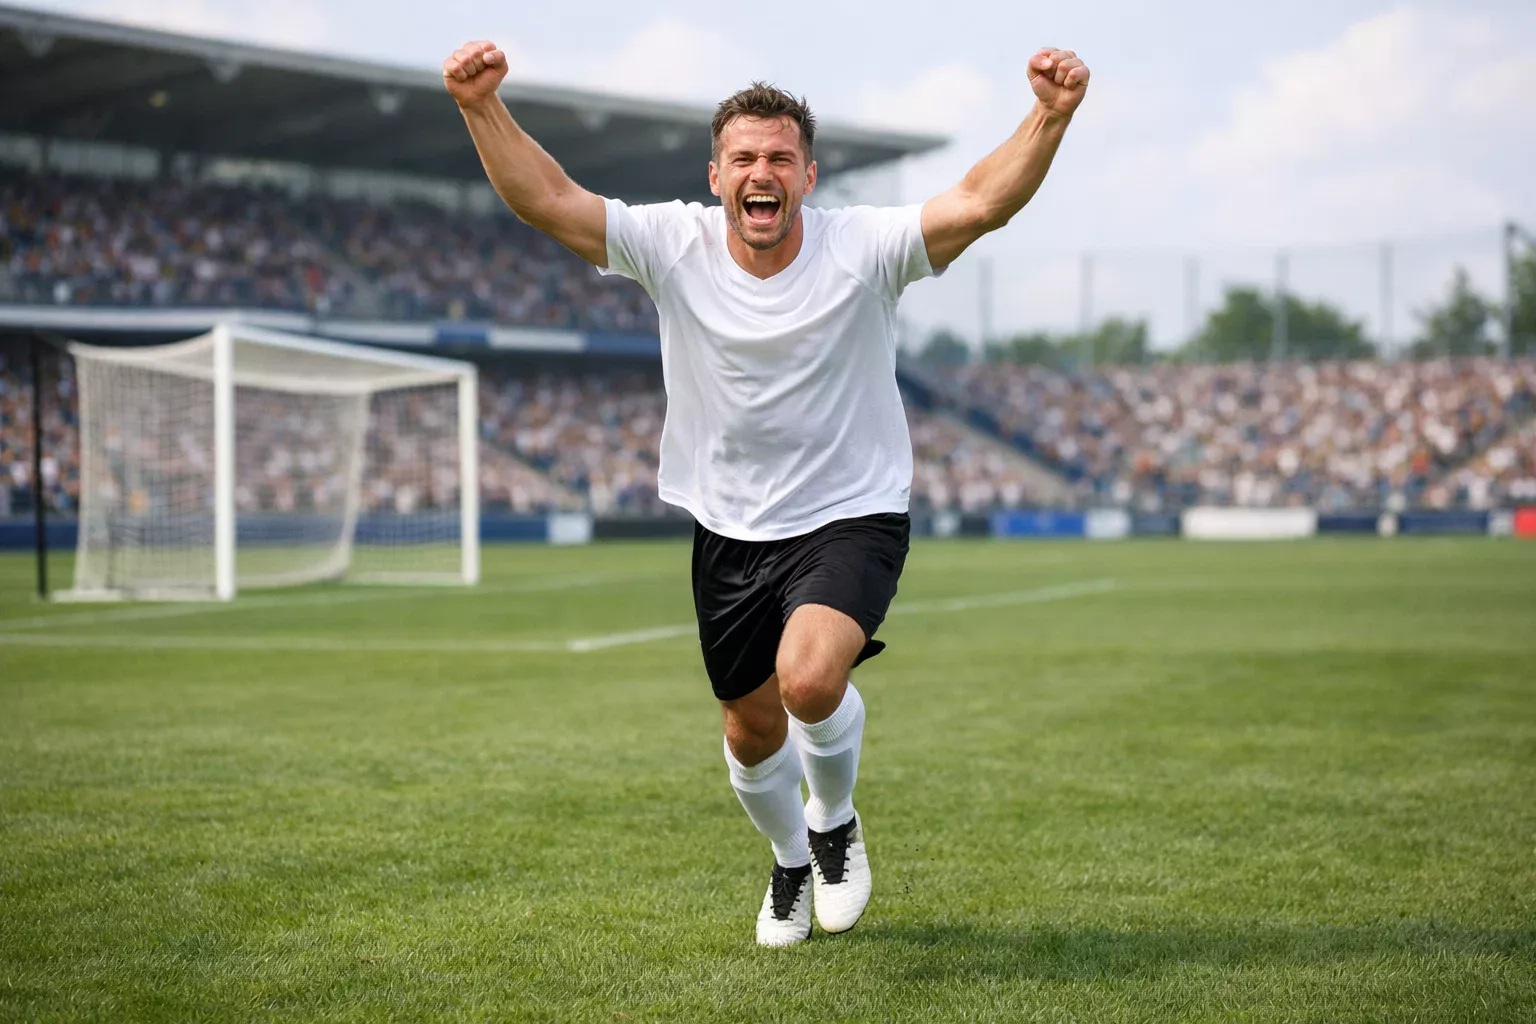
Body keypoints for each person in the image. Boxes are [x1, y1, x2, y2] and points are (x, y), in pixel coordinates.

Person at [443, 41, 1089, 945]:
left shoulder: (861, 248)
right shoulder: (673, 245)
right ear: (716, 176)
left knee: (810, 679)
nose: (761, 172)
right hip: (729, 525)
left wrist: (1049, 116)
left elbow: (980, 201)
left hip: (851, 511)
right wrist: (481, 107)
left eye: (780, 157)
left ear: (808, 176)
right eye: (744, 157)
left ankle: (834, 822)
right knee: (749, 735)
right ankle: (789, 860)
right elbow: (547, 200)